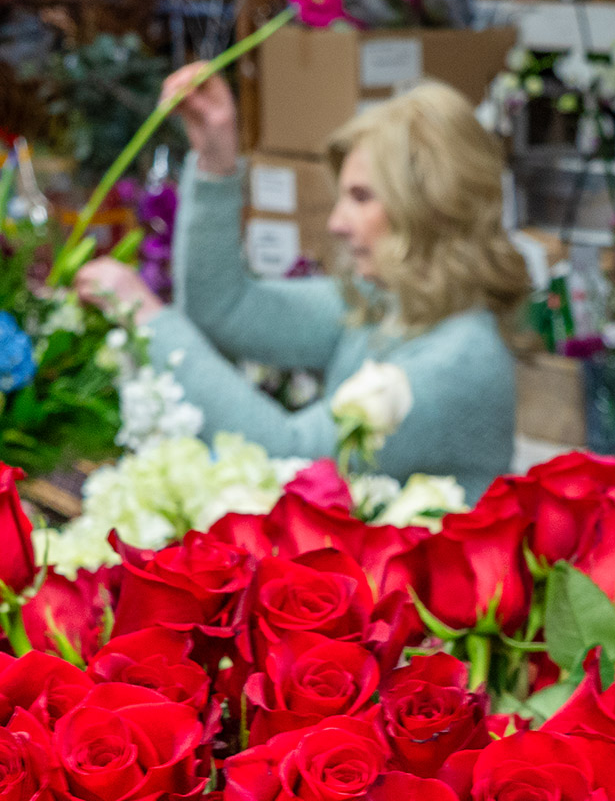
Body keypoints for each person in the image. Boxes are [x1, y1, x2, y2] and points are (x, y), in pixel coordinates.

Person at [75, 65, 529, 498]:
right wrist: (215, 157)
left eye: (361, 197)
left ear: (431, 206)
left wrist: (144, 314)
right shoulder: (393, 305)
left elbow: (289, 457)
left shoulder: (460, 360)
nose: (336, 223)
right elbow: (226, 309)